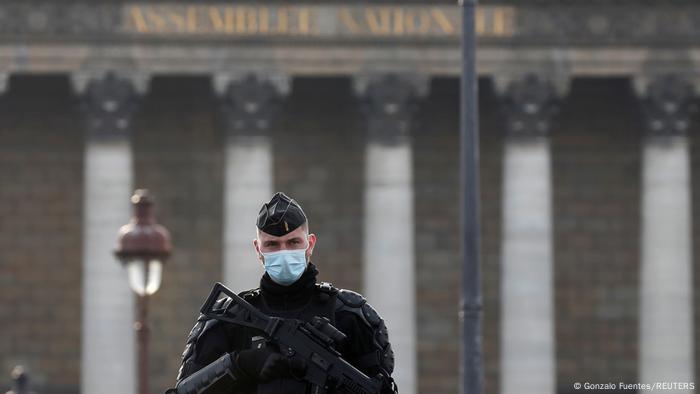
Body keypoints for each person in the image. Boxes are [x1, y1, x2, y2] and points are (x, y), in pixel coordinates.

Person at [173, 192, 398, 393]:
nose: (284, 252)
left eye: (293, 242)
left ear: (309, 244)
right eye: (272, 245)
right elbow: (186, 389)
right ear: (258, 249)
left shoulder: (352, 316)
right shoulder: (230, 318)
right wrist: (240, 364)